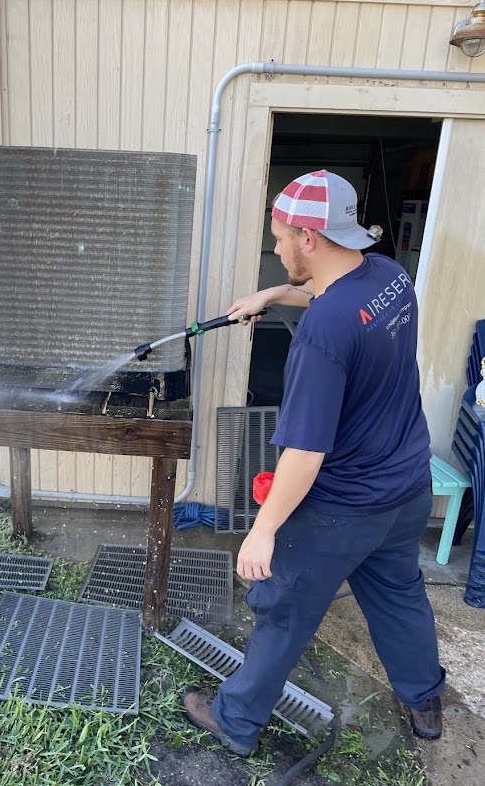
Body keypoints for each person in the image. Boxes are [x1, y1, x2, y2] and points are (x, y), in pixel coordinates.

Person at [182, 169, 445, 756]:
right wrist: (272, 295)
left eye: (281, 238)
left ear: (310, 237)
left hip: (341, 507)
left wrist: (263, 532)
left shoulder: (322, 335)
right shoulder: (389, 278)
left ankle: (236, 718)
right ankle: (425, 699)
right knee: (400, 593)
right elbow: (329, 292)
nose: (275, 249)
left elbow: (304, 453)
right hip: (406, 489)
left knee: (282, 608)